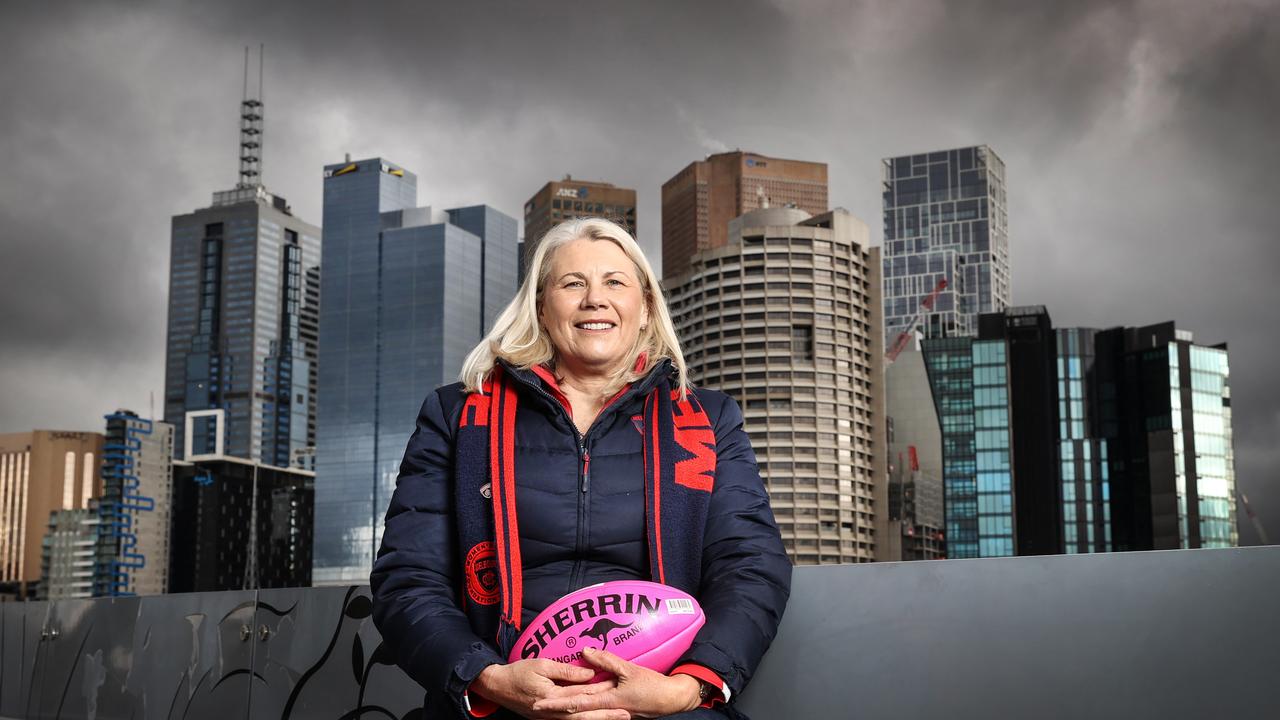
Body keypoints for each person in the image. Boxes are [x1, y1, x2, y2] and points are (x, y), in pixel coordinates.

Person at [371, 217, 791, 719]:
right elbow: (408, 577)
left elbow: (751, 568)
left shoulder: (708, 419)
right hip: (503, 696)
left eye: (615, 282)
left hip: (662, 700)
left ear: (645, 309)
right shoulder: (459, 416)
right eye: (573, 284)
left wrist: (685, 688)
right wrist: (487, 677)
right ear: (542, 308)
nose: (595, 299)